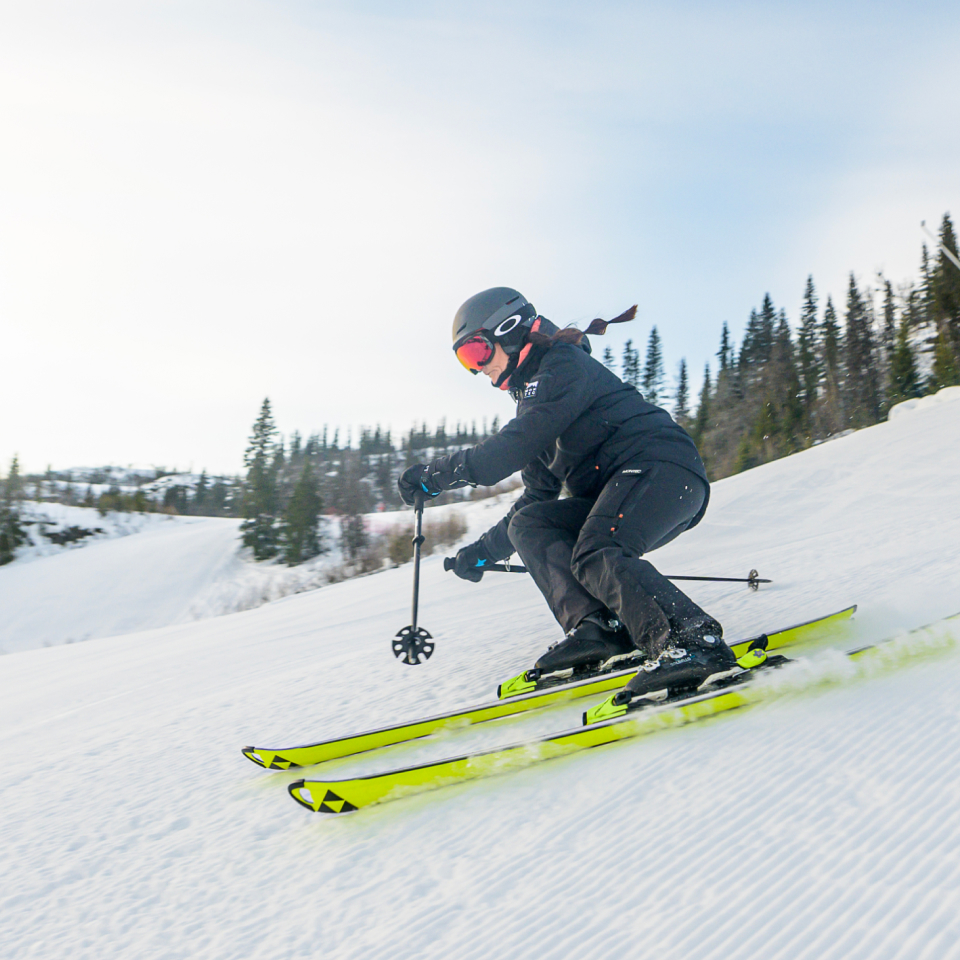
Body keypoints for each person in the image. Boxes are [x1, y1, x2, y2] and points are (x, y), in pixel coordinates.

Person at [398, 286, 736, 687]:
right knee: (532, 524)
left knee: (598, 547)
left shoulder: (562, 366)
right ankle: (599, 629)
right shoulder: (535, 401)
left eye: (477, 352)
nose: (476, 369)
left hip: (663, 472)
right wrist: (481, 554)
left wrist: (434, 477)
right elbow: (534, 500)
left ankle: (693, 641)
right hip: (623, 490)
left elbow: (503, 454)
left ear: (508, 330)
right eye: (465, 361)